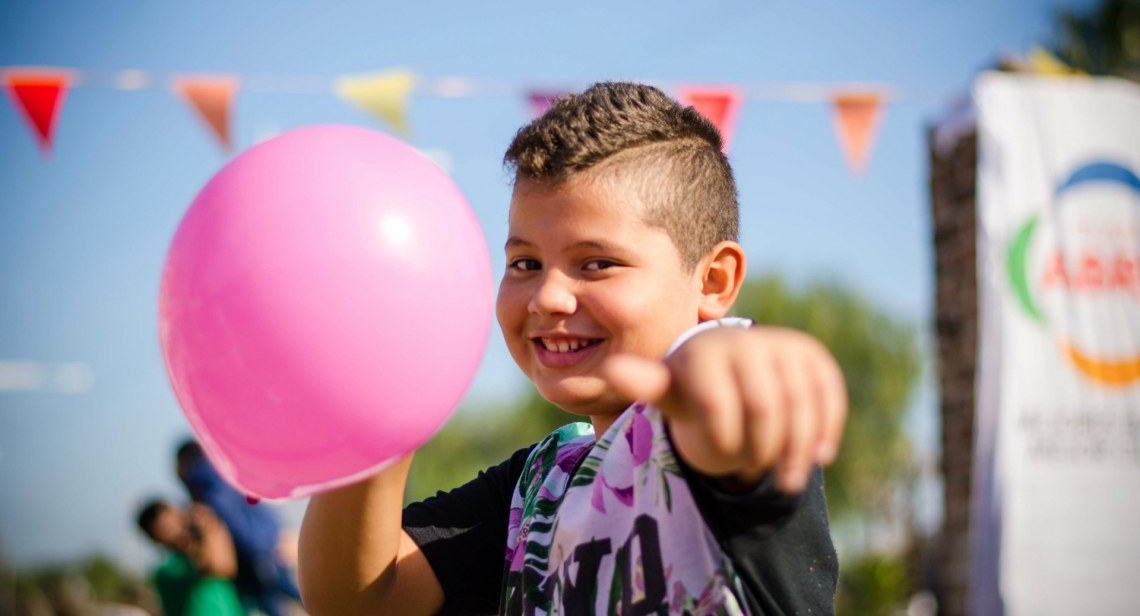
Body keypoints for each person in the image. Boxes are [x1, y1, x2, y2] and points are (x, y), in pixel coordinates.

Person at [298, 81, 848, 615]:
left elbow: (728, 407)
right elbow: (360, 600)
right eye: (526, 263)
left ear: (713, 282)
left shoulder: (707, 433)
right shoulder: (536, 489)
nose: (548, 296)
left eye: (597, 263)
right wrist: (377, 398)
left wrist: (724, 370)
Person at [176, 441, 302, 616]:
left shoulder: (209, 492)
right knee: (302, 597)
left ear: (186, 463)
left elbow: (235, 526)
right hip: (270, 544)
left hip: (257, 556)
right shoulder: (227, 473)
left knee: (280, 605)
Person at [136, 500, 245, 616]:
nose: (171, 528)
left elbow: (224, 566)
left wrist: (207, 525)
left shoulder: (206, 542)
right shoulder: (167, 573)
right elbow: (211, 567)